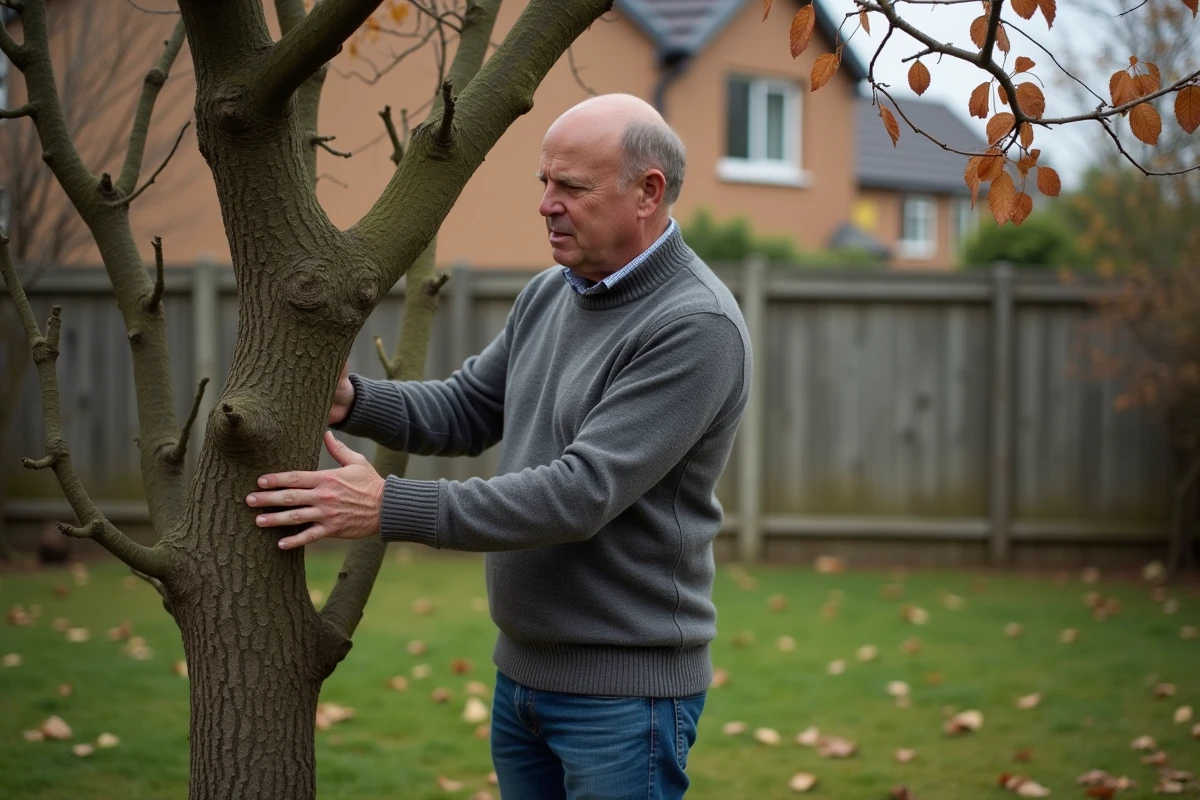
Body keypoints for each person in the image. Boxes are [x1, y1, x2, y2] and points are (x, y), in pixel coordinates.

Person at [245, 93, 751, 799]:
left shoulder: (694, 325)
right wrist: (356, 400)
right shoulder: (552, 293)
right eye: (543, 182)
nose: (546, 204)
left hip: (624, 699)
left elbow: (579, 495)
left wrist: (390, 506)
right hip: (522, 680)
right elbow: (469, 408)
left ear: (648, 192)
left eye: (570, 187)